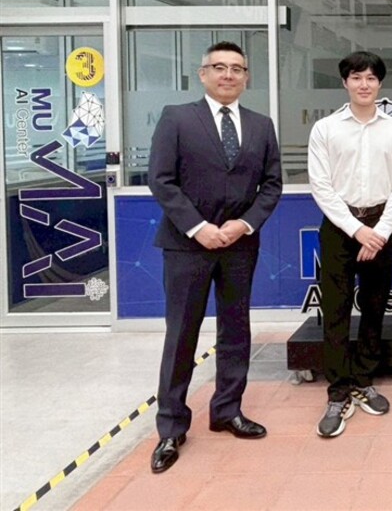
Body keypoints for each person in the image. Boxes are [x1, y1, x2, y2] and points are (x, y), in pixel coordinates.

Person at [147, 41, 282, 474]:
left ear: (246, 77)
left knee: (235, 329)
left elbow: (272, 185)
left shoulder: (261, 125)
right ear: (203, 73)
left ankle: (227, 410)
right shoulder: (177, 118)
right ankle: (171, 427)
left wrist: (244, 224)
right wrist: (198, 227)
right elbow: (161, 180)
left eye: (237, 68)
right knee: (181, 335)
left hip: (239, 246)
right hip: (187, 245)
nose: (228, 75)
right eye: (219, 67)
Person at [308, 51, 392, 438]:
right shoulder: (325, 128)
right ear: (345, 82)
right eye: (356, 77)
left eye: (371, 78)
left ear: (380, 83)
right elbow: (321, 185)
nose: (364, 84)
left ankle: (364, 379)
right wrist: (356, 230)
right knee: (335, 310)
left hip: (382, 224)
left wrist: (380, 232)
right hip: (340, 226)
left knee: (374, 306)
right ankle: (338, 391)